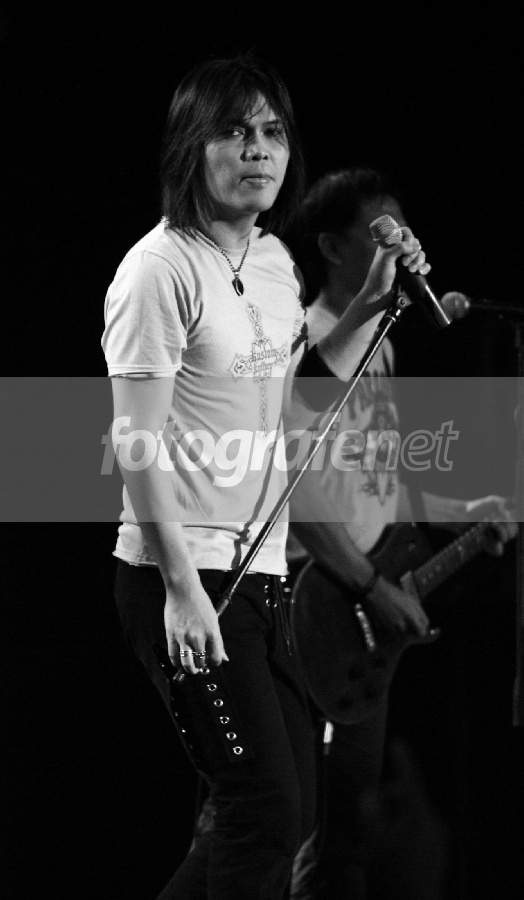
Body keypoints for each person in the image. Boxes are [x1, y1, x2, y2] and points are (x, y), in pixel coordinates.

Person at [101, 59, 432, 900]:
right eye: (234, 131)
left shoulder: (277, 262)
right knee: (262, 805)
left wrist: (371, 301)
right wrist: (182, 590)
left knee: (279, 810)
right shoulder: (158, 270)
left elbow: (299, 397)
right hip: (183, 577)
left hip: (264, 577)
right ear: (191, 146)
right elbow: (134, 441)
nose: (258, 149)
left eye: (272, 132)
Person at [284, 167, 516, 900]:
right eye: (380, 231)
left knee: (343, 843)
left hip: (363, 612)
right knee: (274, 828)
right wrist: (368, 586)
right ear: (331, 246)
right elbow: (288, 487)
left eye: (403, 230)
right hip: (311, 602)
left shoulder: (381, 346)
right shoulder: (302, 340)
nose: (401, 244)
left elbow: (379, 478)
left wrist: (464, 508)